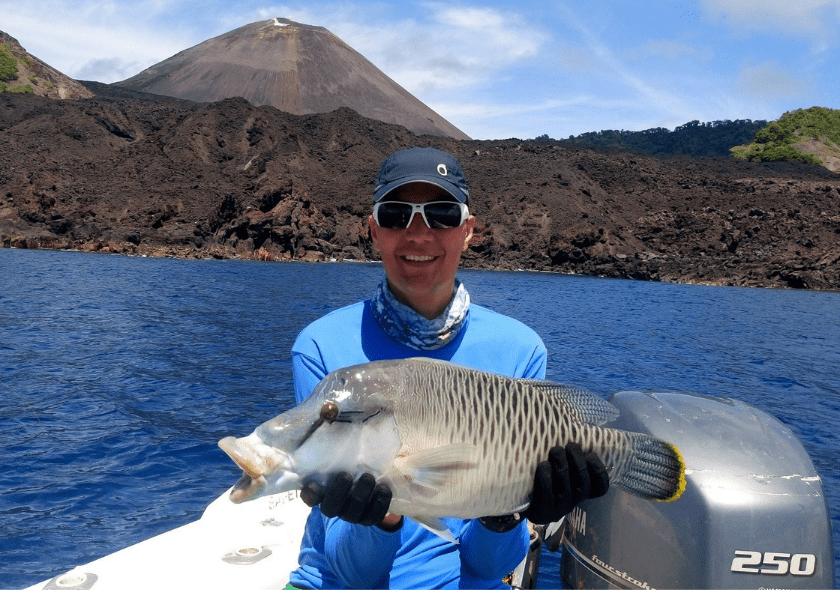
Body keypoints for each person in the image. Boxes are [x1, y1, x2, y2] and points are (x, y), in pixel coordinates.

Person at [288, 147, 608, 589]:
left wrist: (506, 515)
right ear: (374, 230)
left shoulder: (520, 349)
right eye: (398, 215)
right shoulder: (320, 348)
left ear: (468, 230)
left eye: (441, 213)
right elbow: (350, 572)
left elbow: (488, 569)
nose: (418, 234)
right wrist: (380, 521)